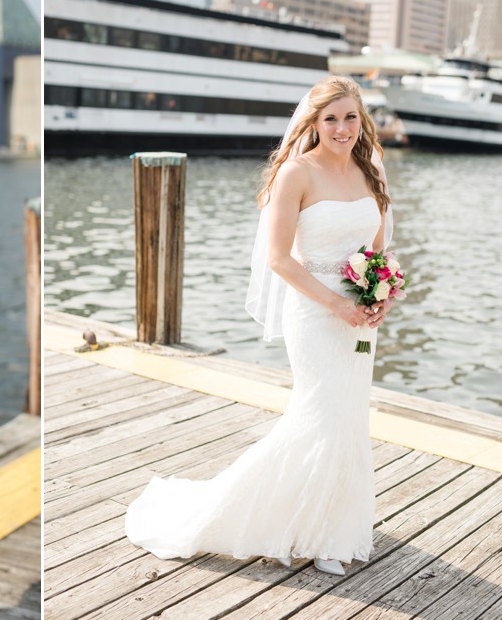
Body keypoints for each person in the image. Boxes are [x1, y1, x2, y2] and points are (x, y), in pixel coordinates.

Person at [125, 76, 394, 577]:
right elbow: (278, 259)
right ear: (313, 123)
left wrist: (381, 293)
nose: (342, 128)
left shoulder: (370, 167)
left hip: (360, 316)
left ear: (362, 119)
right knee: (319, 417)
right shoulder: (296, 174)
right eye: (331, 118)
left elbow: (378, 248)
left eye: (350, 117)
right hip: (316, 312)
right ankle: (285, 525)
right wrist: (337, 304)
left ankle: (332, 523)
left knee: (349, 418)